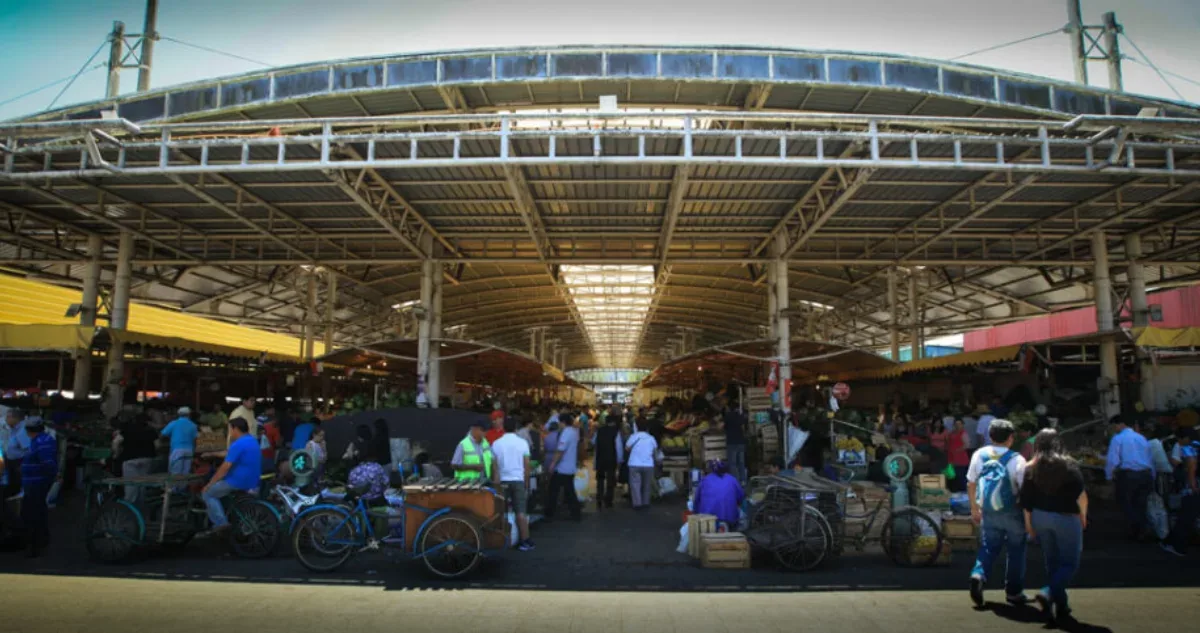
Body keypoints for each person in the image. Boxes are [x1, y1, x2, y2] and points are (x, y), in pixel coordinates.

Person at [1020, 429, 1088, 626]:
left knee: (1052, 562)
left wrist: (1029, 525)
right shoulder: (1069, 465)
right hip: (1066, 517)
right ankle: (1048, 592)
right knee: (1069, 563)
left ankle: (1061, 605)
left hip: (1040, 517)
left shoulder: (1031, 467)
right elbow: (1081, 495)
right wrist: (1083, 515)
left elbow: (1026, 501)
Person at [967, 419, 1029, 608]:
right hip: (1012, 512)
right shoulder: (1017, 459)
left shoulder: (979, 454)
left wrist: (974, 508)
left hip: (988, 511)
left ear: (990, 436)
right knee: (1016, 551)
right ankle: (1013, 592)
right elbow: (1025, 491)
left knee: (988, 547)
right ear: (1011, 438)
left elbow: (971, 483)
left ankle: (978, 574)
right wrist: (1029, 519)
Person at [199, 418, 261, 536]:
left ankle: (220, 523)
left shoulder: (238, 444)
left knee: (207, 493)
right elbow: (229, 453)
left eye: (230, 429)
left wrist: (210, 483)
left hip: (237, 481)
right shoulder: (252, 440)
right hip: (253, 480)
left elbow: (225, 468)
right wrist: (212, 453)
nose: (230, 433)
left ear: (235, 429)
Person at [1104, 415, 1154, 541]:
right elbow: (1150, 458)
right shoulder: (1141, 438)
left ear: (1121, 424)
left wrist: (1109, 476)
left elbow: (1112, 460)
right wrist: (1152, 475)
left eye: (1114, 425)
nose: (1114, 428)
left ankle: (1135, 530)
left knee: (1126, 503)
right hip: (1145, 474)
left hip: (1128, 475)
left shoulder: (1118, 438)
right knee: (1141, 504)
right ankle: (1143, 529)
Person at [492, 417, 534, 551]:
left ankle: (500, 539)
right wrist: (527, 482)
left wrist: (496, 484)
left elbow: (495, 468)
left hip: (502, 481)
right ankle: (525, 541)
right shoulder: (522, 443)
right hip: (518, 480)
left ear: (503, 427)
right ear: (516, 428)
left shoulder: (496, 444)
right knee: (520, 511)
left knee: (501, 511)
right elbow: (526, 466)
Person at [19, 418, 57, 557]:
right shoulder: (39, 440)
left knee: (32, 514)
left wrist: (47, 478)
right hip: (35, 482)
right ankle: (41, 539)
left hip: (37, 483)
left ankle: (35, 545)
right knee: (38, 511)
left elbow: (48, 463)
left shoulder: (42, 442)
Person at [1161, 428, 1199, 557]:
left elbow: (1192, 465)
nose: (1179, 442)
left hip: (1192, 487)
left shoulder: (1189, 448)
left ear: (1186, 438)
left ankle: (1177, 545)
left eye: (1179, 439)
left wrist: (1192, 484)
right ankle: (1170, 542)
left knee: (1186, 516)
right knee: (1187, 515)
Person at [546, 413, 582, 521]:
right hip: (570, 466)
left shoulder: (566, 433)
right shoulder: (574, 432)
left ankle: (549, 513)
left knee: (553, 490)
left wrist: (552, 464)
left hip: (562, 468)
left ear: (563, 422)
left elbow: (560, 451)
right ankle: (575, 513)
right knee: (569, 491)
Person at [117, 415, 158, 503]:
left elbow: (116, 442)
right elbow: (158, 445)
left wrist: (116, 453)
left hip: (129, 459)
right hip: (147, 458)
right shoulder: (150, 430)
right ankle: (140, 503)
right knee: (143, 483)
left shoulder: (127, 429)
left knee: (131, 483)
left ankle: (130, 504)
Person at [693, 459, 744, 528]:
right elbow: (740, 497)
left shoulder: (705, 480)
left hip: (708, 520)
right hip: (730, 520)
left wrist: (696, 513)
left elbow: (697, 500)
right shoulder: (732, 479)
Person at [592, 411, 624, 510]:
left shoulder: (599, 431)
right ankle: (608, 500)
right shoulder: (616, 432)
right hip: (611, 459)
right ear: (614, 422)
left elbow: (593, 442)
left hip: (600, 458)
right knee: (610, 480)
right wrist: (620, 460)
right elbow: (618, 447)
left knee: (600, 480)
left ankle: (599, 498)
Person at [625, 422, 659, 511]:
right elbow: (655, 452)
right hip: (648, 464)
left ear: (637, 428)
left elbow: (627, 448)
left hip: (634, 464)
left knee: (635, 484)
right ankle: (645, 502)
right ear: (647, 429)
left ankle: (637, 504)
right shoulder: (651, 438)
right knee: (647, 484)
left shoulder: (633, 437)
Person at [160, 407, 198, 479]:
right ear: (189, 414)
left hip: (177, 450)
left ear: (178, 414)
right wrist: (193, 451)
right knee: (186, 473)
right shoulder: (193, 425)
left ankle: (175, 486)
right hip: (189, 450)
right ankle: (183, 486)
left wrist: (169, 438)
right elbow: (195, 440)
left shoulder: (174, 423)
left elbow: (162, 435)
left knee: (175, 473)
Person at [722, 403, 749, 483]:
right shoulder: (740, 416)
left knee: (733, 463)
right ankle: (743, 480)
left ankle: (735, 481)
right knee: (741, 462)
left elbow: (722, 426)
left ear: (728, 408)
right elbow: (744, 425)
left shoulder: (728, 416)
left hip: (732, 442)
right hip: (741, 442)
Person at [947, 418, 971, 492]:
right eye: (956, 424)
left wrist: (957, 450)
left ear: (963, 425)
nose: (958, 426)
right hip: (951, 458)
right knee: (952, 477)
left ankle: (965, 492)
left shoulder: (963, 433)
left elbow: (967, 445)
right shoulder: (952, 433)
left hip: (961, 459)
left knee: (961, 477)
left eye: (959, 424)